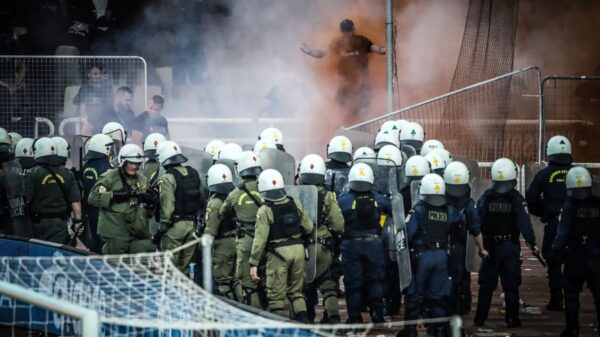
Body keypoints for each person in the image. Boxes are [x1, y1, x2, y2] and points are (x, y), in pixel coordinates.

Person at [474, 158, 539, 328]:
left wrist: (480, 246)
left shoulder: (486, 198)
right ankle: (512, 319)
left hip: (490, 246)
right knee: (511, 286)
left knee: (486, 286)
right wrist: (532, 244)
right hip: (510, 246)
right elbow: (524, 223)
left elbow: (477, 223)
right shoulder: (516, 198)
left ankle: (480, 319)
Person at [249, 169, 314, 322]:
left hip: (278, 255)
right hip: (298, 251)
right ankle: (305, 326)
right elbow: (309, 227)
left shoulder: (264, 210)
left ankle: (279, 331)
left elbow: (260, 240)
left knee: (276, 297)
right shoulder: (294, 202)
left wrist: (253, 263)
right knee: (296, 293)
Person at [402, 174, 458, 337]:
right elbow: (459, 226)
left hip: (423, 256)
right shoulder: (450, 209)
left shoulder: (418, 209)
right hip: (442, 256)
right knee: (438, 296)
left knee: (415, 295)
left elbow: (408, 233)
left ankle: (410, 330)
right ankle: (439, 330)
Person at [337, 163, 391, 323]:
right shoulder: (379, 198)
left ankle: (355, 318)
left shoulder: (343, 200)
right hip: (374, 244)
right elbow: (393, 210)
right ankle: (377, 313)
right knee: (375, 279)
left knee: (353, 283)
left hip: (351, 246)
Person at [301, 19, 386, 119]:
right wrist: (310, 52)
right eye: (345, 30)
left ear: (352, 29)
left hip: (361, 85)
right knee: (344, 111)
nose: (347, 32)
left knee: (363, 112)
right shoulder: (338, 43)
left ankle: (360, 129)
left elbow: (377, 49)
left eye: (348, 29)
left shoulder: (361, 40)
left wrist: (385, 49)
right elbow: (322, 53)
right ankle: (347, 129)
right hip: (346, 86)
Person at [526, 135, 574, 311]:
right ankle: (571, 297)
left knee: (553, 260)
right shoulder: (578, 173)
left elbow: (531, 198)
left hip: (554, 223)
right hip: (576, 225)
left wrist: (543, 212)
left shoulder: (544, 174)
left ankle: (556, 297)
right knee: (574, 260)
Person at [551, 167, 600, 337]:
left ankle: (572, 329)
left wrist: (556, 252)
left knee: (571, 295)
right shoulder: (598, 203)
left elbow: (562, 233)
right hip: (596, 256)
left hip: (575, 256)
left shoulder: (569, 206)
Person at [298, 154, 344, 324]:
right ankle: (333, 319)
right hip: (323, 247)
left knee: (302, 288)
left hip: (301, 248)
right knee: (327, 286)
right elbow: (338, 224)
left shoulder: (297, 194)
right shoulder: (328, 195)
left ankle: (305, 319)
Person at [88, 143, 155, 254]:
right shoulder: (109, 178)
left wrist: (151, 200)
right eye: (132, 163)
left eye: (138, 164)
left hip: (138, 232)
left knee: (142, 260)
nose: (135, 167)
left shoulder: (143, 179)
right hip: (116, 232)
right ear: (123, 161)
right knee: (115, 265)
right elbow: (93, 199)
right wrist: (114, 195)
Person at [219, 151, 266, 309]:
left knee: (246, 281)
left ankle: (255, 314)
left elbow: (223, 213)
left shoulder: (235, 194)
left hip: (246, 241)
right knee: (265, 279)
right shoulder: (265, 189)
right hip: (266, 239)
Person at [443, 161, 487, 315]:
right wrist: (482, 250)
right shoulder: (468, 203)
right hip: (460, 248)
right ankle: (462, 305)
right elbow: (476, 229)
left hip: (442, 248)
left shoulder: (437, 200)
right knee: (462, 277)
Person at [155, 140, 204, 273]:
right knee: (185, 270)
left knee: (170, 270)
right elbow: (202, 198)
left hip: (174, 228)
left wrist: (162, 228)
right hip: (192, 227)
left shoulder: (167, 178)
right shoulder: (193, 173)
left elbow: (167, 205)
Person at [24, 137, 82, 244]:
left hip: (37, 224)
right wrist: (78, 221)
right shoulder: (68, 173)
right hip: (60, 224)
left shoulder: (32, 174)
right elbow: (75, 200)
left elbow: (26, 200)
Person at [204, 163, 237, 299]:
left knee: (223, 283)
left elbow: (211, 232)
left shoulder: (215, 203)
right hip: (237, 241)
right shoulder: (235, 198)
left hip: (222, 246)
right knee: (236, 280)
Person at [81, 133, 114, 253]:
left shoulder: (86, 166)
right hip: (103, 212)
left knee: (94, 244)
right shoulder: (107, 168)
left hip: (89, 211)